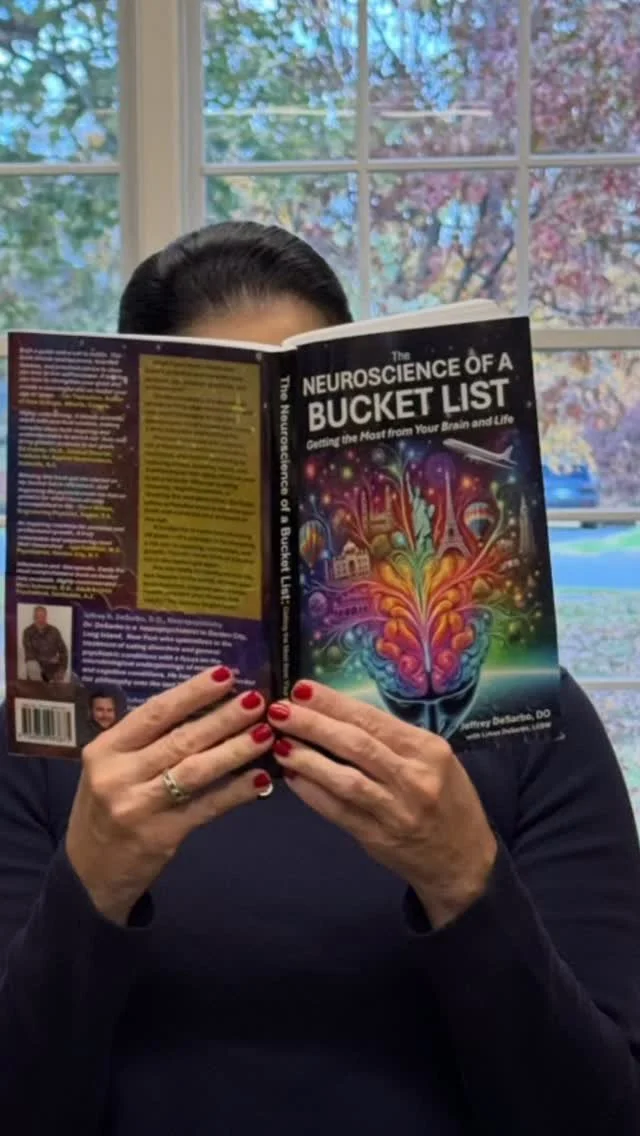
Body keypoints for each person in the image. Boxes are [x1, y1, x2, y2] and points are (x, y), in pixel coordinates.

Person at [1, 221, 639, 1136]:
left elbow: (605, 1115)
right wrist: (90, 890)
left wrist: (466, 881)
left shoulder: (526, 719)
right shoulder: (48, 740)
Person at [21, 604, 68, 683]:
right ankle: (39, 687)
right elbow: (30, 654)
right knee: (31, 664)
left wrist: (62, 669)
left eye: (43, 616)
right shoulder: (27, 632)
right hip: (36, 666)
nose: (40, 619)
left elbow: (63, 651)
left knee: (61, 679)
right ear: (34, 617)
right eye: (38, 616)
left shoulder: (54, 631)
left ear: (46, 616)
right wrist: (49, 659)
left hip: (52, 667)